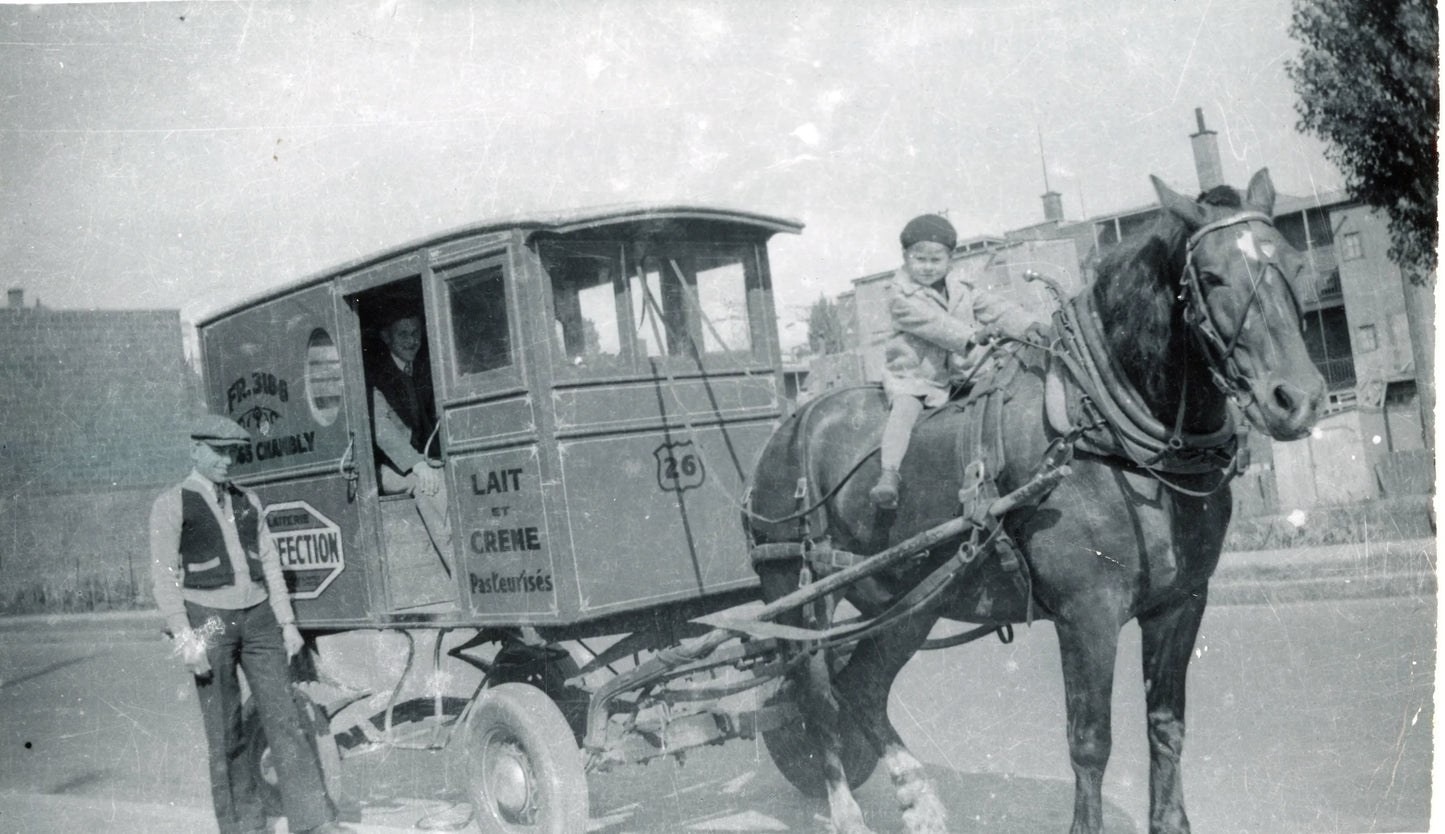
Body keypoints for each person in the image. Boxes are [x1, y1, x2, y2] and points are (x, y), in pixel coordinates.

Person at [149, 413, 352, 834]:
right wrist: (186, 638)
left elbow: (271, 565)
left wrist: (288, 623)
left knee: (286, 719)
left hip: (260, 620)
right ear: (195, 450)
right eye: (219, 452)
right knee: (225, 732)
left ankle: (312, 822)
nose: (227, 461)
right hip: (209, 621)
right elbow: (164, 578)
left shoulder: (248, 500)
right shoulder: (171, 504)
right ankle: (244, 826)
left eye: (233, 454)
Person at [870, 214, 1040, 509]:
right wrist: (974, 336)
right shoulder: (900, 296)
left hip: (965, 373)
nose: (927, 267)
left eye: (935, 260)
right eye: (919, 259)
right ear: (905, 258)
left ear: (950, 259)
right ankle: (890, 473)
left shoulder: (961, 287)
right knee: (905, 411)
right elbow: (934, 325)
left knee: (1000, 398)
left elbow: (995, 308)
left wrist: (1028, 325)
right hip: (917, 376)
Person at [369, 310, 452, 569]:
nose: (411, 340)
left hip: (422, 459)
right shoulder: (377, 378)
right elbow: (381, 429)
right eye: (403, 334)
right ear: (387, 338)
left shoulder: (421, 370)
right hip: (387, 467)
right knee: (427, 485)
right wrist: (416, 464)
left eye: (415, 333)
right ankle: (458, 567)